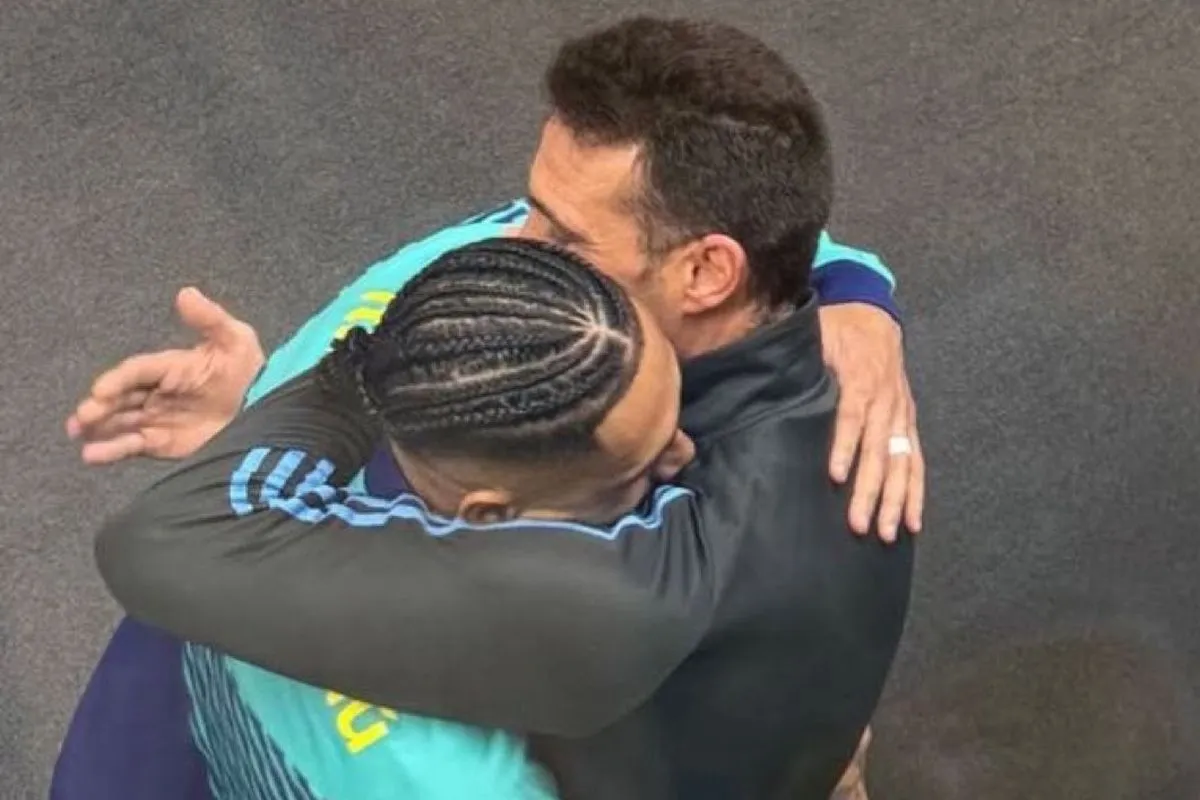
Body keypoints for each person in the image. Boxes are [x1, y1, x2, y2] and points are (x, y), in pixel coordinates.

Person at [73, 16, 919, 799]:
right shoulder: (770, 322)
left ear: (706, 272)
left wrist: (371, 367)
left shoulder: (648, 588)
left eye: (563, 238)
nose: (510, 249)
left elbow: (176, 540)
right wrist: (859, 287)